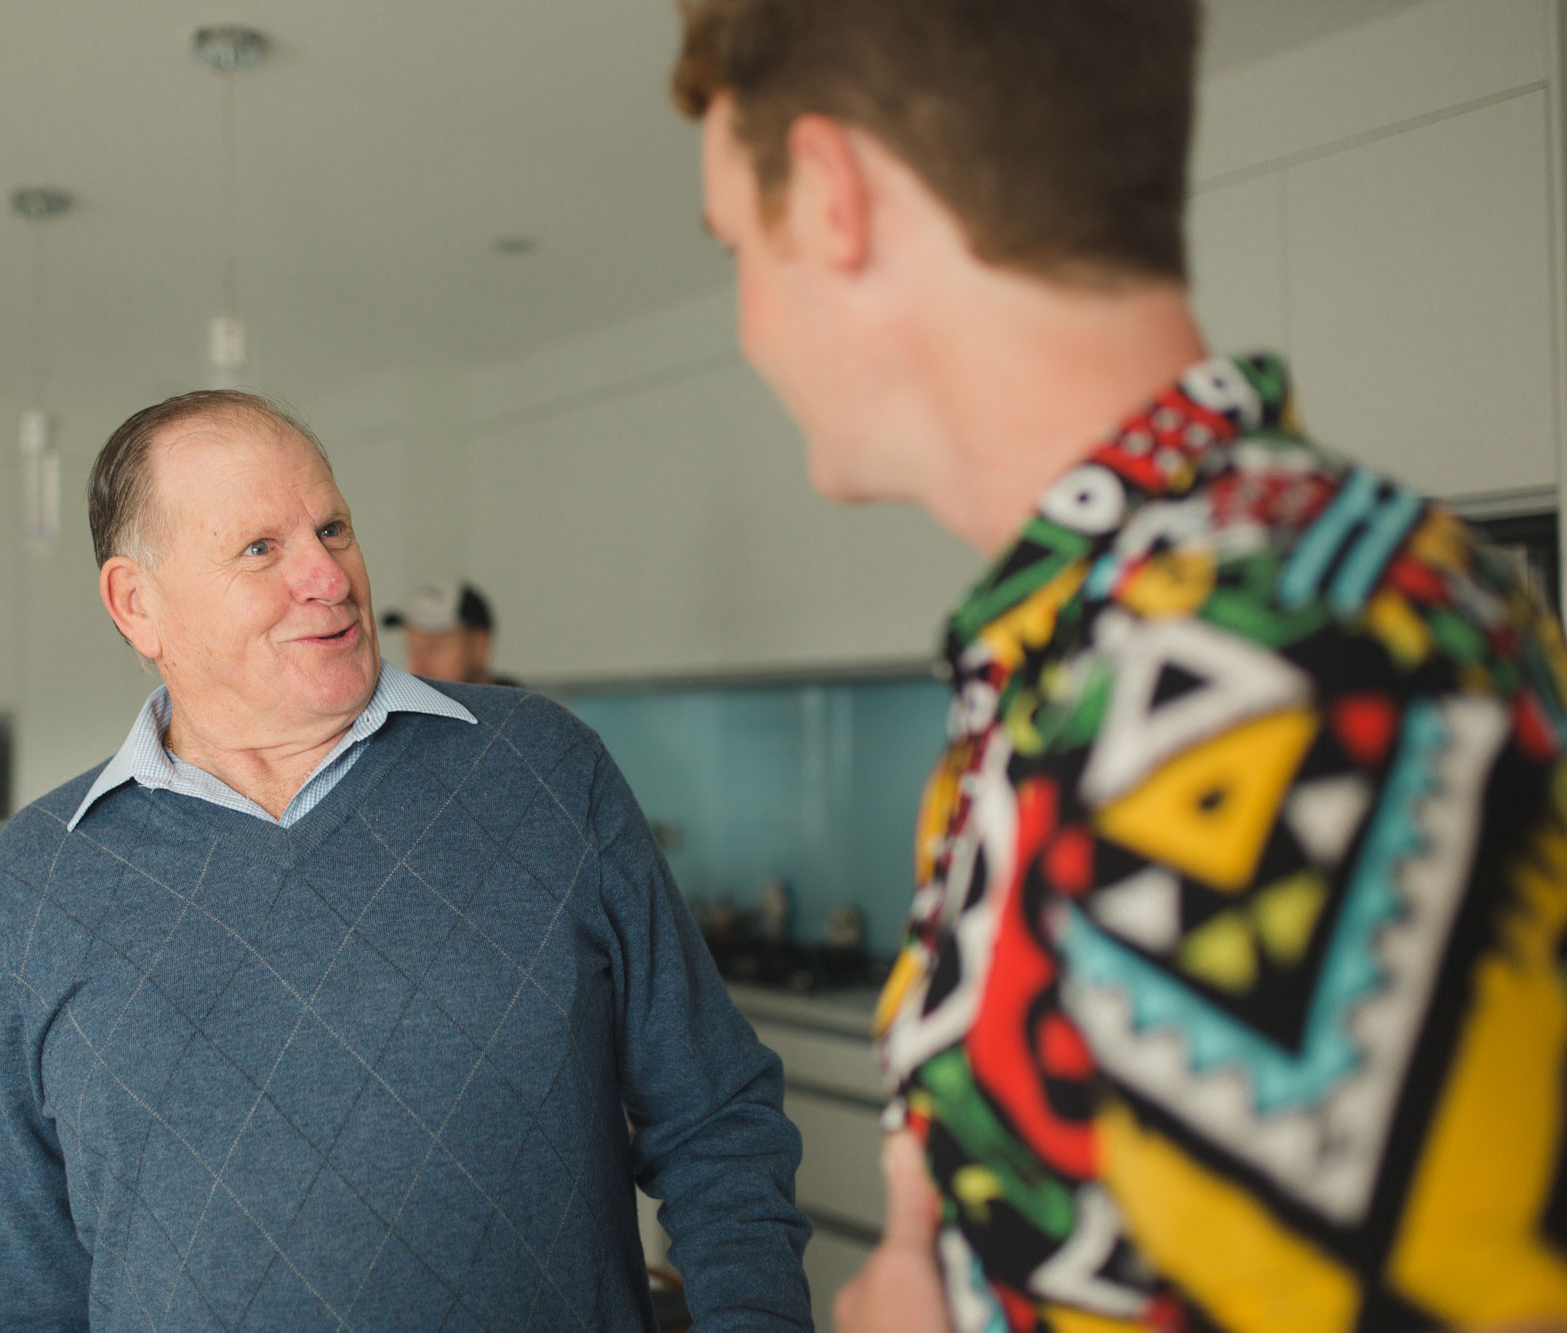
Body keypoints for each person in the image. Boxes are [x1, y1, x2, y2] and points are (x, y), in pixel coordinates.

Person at [669, 3, 1567, 1331]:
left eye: (737, 247)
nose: (746, 324)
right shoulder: (1104, 648)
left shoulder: (1270, 671)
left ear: (838, 199)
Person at [0, 390, 812, 1330]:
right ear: (137, 604)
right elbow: (7, 1290)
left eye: (333, 526)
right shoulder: (35, 884)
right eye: (261, 548)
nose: (328, 573)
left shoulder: (543, 771)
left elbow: (718, 1118)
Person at [383, 580, 520, 687]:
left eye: (433, 647)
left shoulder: (527, 717)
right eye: (411, 649)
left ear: (479, 645)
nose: (418, 666)